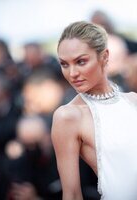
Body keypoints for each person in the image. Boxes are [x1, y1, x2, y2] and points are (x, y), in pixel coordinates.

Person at [51, 21, 137, 200]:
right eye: (64, 64)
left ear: (104, 57)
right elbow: (72, 194)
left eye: (80, 61)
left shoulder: (133, 100)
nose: (72, 73)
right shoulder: (68, 116)